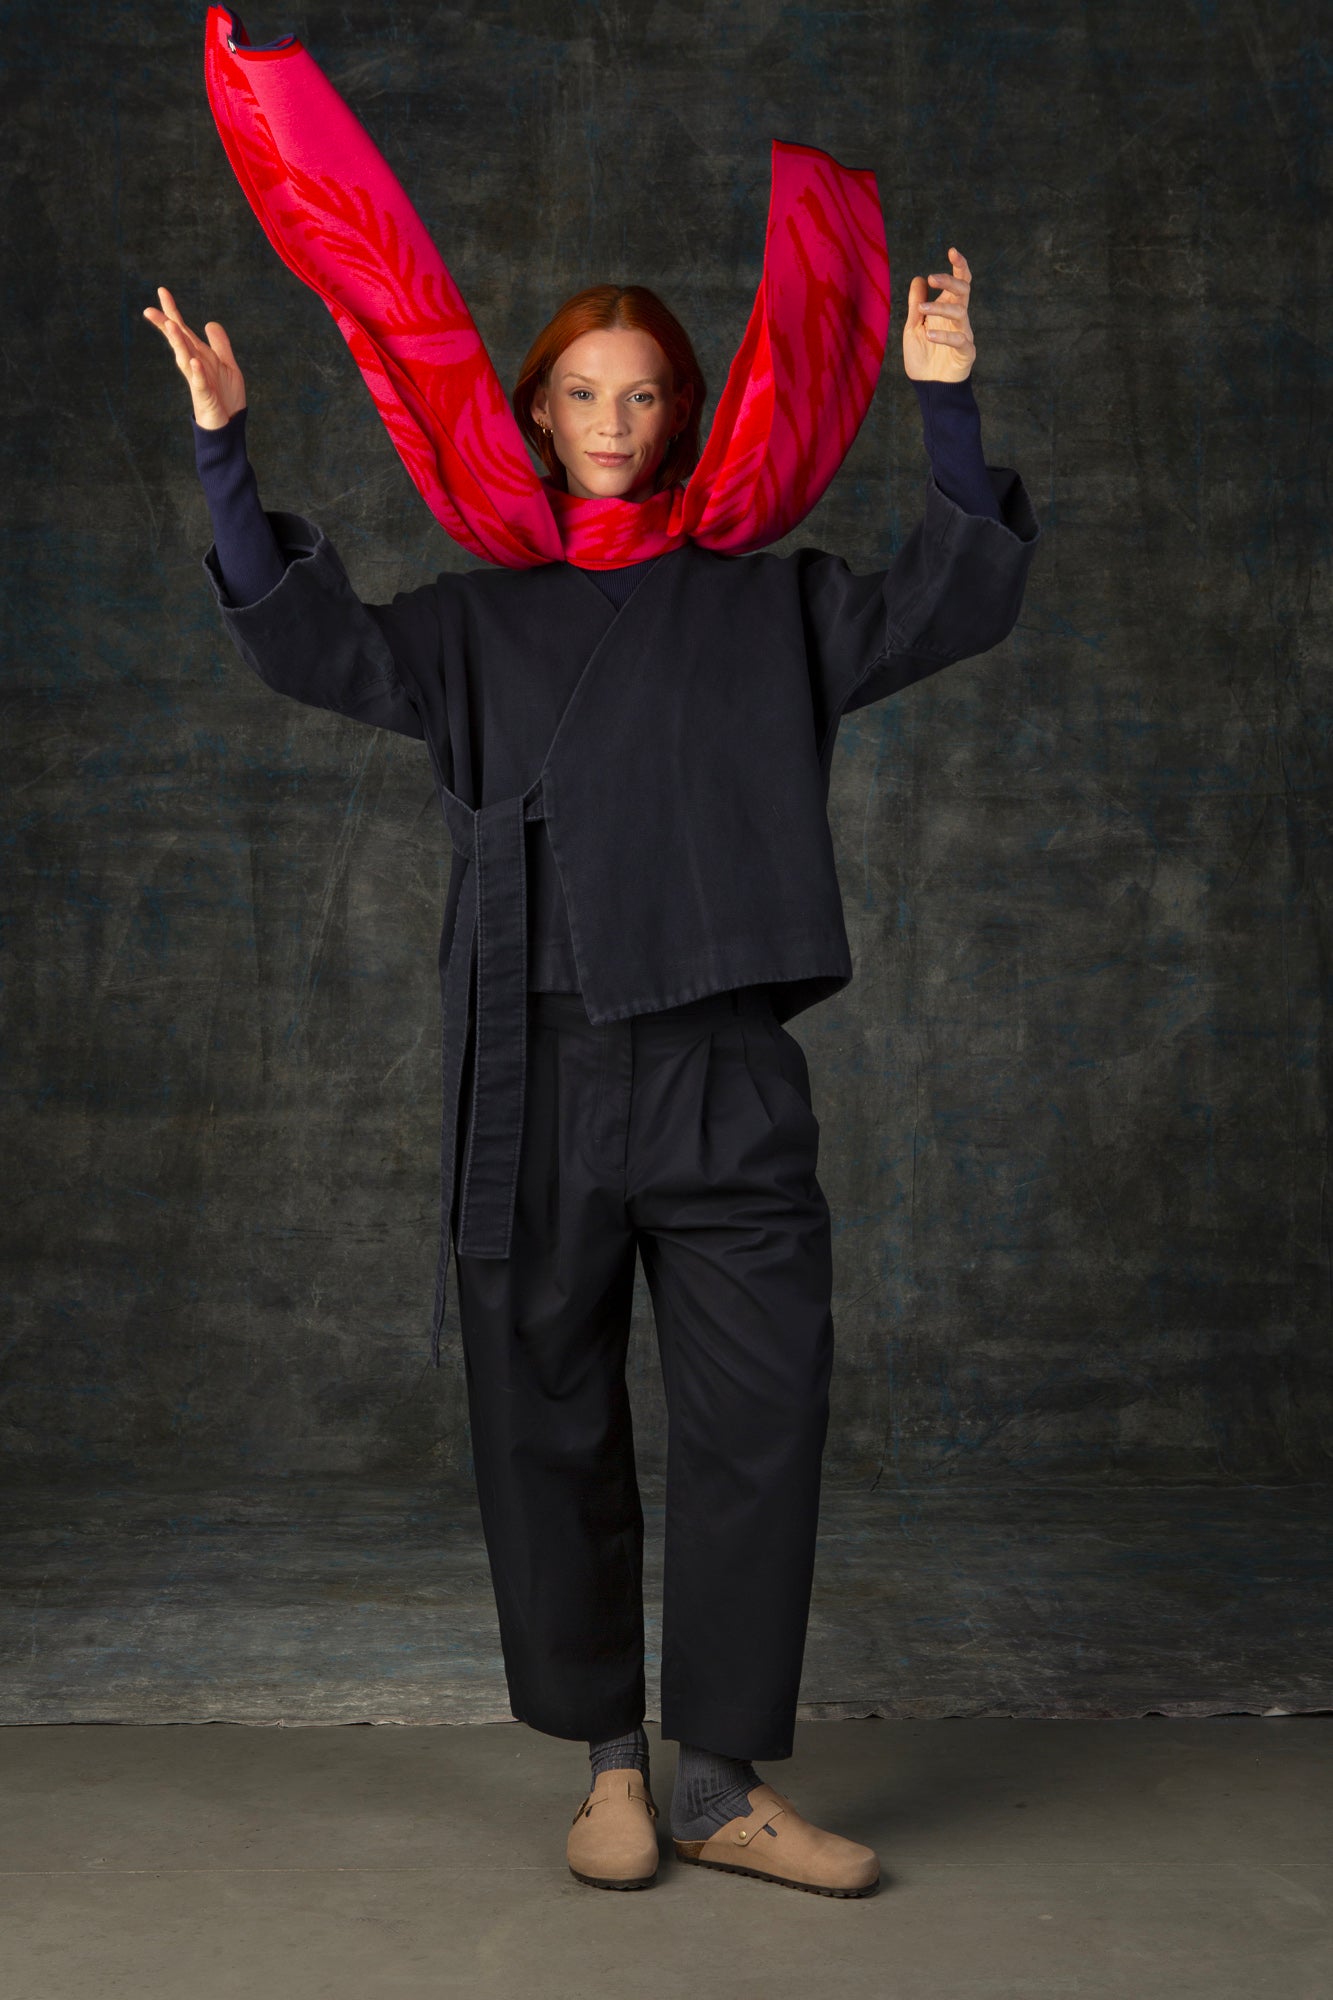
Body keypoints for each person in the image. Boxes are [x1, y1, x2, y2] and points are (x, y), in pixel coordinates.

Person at [143, 228, 1040, 1898]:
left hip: (721, 1073)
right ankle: (609, 1775)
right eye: (578, 394)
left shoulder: (771, 600)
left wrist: (944, 406)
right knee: (543, 1424)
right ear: (533, 419)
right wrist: (221, 446)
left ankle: (718, 1782)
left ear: (684, 415)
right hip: (537, 1076)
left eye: (641, 396)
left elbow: (952, 597)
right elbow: (299, 640)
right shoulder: (478, 624)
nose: (611, 421)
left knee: (759, 1417)